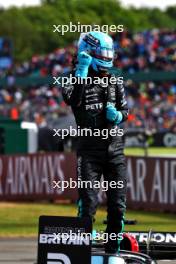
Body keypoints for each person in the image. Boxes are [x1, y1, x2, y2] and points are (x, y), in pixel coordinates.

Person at [62, 31, 128, 254]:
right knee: (88, 203)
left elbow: (125, 109)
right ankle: (81, 252)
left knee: (117, 207)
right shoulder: (70, 77)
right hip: (89, 152)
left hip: (115, 150)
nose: (107, 58)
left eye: (109, 54)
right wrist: (80, 73)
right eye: (103, 53)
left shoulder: (116, 79)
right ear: (87, 51)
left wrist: (118, 116)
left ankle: (113, 253)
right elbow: (73, 100)